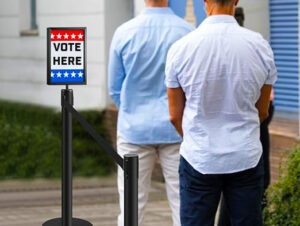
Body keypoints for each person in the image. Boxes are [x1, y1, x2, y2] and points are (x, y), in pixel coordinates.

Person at [165, 0, 277, 225]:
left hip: (199, 156)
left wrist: (195, 137)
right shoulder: (259, 45)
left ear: (205, 1)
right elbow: (263, 111)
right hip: (245, 155)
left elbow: (175, 115)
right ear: (236, 1)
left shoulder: (181, 47)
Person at [108, 0, 194, 225]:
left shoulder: (123, 32)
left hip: (134, 129)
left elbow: (114, 88)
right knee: (183, 204)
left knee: (131, 207)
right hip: (177, 130)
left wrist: (130, 109)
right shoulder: (186, 31)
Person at [217, 8, 276, 226]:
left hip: (225, 138)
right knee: (250, 194)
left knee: (230, 196)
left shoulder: (216, 51)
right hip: (251, 136)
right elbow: (266, 107)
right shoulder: (256, 48)